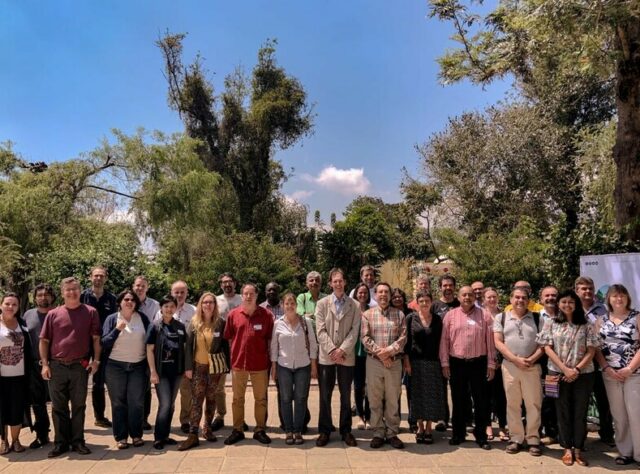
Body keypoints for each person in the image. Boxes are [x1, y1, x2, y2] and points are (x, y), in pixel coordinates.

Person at [536, 289, 599, 466]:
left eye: (571, 302)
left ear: (576, 304)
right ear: (559, 304)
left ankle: (578, 449)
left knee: (580, 411)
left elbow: (592, 350)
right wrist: (564, 368)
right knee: (561, 410)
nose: (567, 305)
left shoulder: (586, 324)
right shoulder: (551, 322)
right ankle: (566, 448)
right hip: (556, 373)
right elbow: (547, 347)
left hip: (583, 374)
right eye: (563, 302)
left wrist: (576, 369)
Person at [40, 277, 101, 458]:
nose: (72, 292)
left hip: (79, 366)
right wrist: (44, 365)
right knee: (58, 407)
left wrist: (96, 360)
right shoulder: (53, 314)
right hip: (56, 366)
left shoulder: (91, 312)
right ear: (62, 293)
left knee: (79, 406)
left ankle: (78, 442)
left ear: (80, 290)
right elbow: (44, 341)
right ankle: (60, 443)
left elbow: (96, 339)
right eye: (68, 290)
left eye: (75, 289)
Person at [439, 286, 496, 450]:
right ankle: (458, 433)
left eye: (470, 295)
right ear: (459, 296)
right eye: (464, 295)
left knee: (480, 401)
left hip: (479, 363)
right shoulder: (450, 315)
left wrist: (491, 364)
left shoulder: (484, 315)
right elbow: (444, 341)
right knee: (458, 400)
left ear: (474, 297)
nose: (467, 297)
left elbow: (490, 342)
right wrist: (445, 363)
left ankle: (481, 436)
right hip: (457, 363)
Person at [493, 288, 544, 456]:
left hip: (532, 366)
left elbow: (543, 344)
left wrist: (532, 359)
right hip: (510, 366)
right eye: (517, 297)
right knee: (513, 404)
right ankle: (515, 438)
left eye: (524, 298)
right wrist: (515, 359)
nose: (520, 300)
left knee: (533, 404)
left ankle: (533, 439)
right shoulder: (501, 317)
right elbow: (498, 342)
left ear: (529, 300)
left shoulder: (538, 318)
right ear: (510, 298)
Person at [223, 283, 274, 445]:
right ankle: (237, 429)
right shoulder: (233, 315)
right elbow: (229, 338)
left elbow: (270, 340)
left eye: (251, 293)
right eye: (245, 293)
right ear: (242, 295)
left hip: (260, 364)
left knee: (261, 399)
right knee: (237, 399)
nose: (248, 296)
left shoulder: (266, 315)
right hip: (239, 364)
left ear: (257, 295)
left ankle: (260, 429)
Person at [595, 284, 640, 466]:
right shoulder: (601, 320)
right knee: (619, 415)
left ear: (627, 298)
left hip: (634, 374)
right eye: (614, 296)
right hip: (610, 375)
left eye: (622, 295)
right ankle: (625, 452)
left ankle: (639, 454)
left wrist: (629, 368)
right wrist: (606, 368)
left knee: (636, 414)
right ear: (609, 299)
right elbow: (596, 348)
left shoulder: (636, 317)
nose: (618, 299)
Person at [315, 269, 360, 447]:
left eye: (341, 281)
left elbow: (354, 331)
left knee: (346, 395)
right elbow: (320, 330)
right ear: (330, 283)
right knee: (325, 395)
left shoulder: (354, 305)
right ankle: (325, 430)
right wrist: (333, 350)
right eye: (335, 281)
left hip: (346, 357)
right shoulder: (322, 304)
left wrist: (342, 350)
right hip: (327, 357)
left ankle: (346, 430)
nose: (338, 284)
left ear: (345, 282)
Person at [179, 292, 230, 451]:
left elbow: (225, 346)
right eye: (205, 302)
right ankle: (193, 433)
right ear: (201, 304)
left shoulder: (221, 323)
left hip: (215, 368)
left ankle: (207, 428)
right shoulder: (193, 323)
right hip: (198, 367)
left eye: (211, 302)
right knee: (197, 400)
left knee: (212, 398)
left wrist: (226, 367)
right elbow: (187, 348)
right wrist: (187, 367)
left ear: (215, 305)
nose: (208, 305)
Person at [101, 289, 151, 449]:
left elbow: (150, 340)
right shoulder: (112, 319)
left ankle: (136, 435)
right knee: (118, 403)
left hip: (138, 365)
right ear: (120, 302)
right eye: (126, 299)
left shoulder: (142, 318)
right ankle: (121, 437)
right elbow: (104, 343)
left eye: (132, 300)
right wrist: (117, 330)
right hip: (115, 366)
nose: (129, 302)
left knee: (136, 402)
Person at [362, 282, 408, 449]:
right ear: (375, 295)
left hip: (394, 363)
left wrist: (388, 352)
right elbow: (365, 338)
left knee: (392, 398)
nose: (383, 295)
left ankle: (392, 432)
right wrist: (381, 355)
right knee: (374, 398)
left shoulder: (399, 314)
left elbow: (403, 338)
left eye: (386, 292)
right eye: (380, 292)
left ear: (390, 295)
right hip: (374, 362)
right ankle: (378, 432)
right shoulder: (367, 315)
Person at [270, 293, 318, 445]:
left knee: (301, 398)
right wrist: (274, 367)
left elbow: (313, 343)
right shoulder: (278, 323)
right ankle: (288, 430)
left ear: (296, 306)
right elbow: (274, 346)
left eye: (292, 303)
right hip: (283, 366)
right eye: (287, 303)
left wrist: (313, 365)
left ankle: (298, 430)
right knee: (285, 398)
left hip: (303, 365)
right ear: (282, 306)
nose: (290, 306)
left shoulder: (306, 322)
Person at [403, 290, 446, 444]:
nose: (425, 303)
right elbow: (406, 342)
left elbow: (442, 342)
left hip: (433, 362)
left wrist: (443, 363)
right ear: (417, 302)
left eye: (427, 300)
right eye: (421, 301)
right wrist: (406, 361)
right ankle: (419, 426)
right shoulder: (410, 318)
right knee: (417, 395)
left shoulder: (438, 319)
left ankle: (428, 428)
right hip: (415, 362)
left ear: (431, 302)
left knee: (431, 396)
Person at [575, 275, 614, 445]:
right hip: (576, 361)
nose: (588, 291)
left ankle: (606, 434)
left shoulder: (604, 310)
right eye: (584, 288)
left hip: (598, 359)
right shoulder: (571, 308)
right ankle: (579, 436)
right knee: (580, 400)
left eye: (590, 288)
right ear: (576, 291)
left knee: (604, 398)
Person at [146, 295, 186, 450]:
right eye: (166, 306)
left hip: (176, 372)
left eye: (172, 306)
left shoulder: (180, 326)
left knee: (171, 405)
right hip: (161, 372)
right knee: (165, 404)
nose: (169, 309)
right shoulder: (155, 326)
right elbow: (149, 350)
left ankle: (166, 435)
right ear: (161, 308)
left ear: (175, 308)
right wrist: (153, 372)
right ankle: (158, 437)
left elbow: (183, 348)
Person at [80, 265, 117, 428]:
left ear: (105, 278)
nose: (98, 278)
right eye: (96, 275)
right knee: (79, 380)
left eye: (101, 276)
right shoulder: (82, 296)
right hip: (83, 344)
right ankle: (77, 417)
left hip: (103, 345)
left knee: (99, 381)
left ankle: (99, 416)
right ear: (90, 277)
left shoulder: (112, 299)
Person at [23, 283, 55, 449]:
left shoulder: (59, 313)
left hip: (55, 364)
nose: (43, 297)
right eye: (40, 295)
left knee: (58, 402)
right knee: (37, 402)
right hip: (34, 365)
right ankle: (42, 435)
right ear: (35, 298)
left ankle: (64, 436)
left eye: (46, 294)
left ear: (52, 296)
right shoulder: (28, 314)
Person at [0, 293, 33, 454]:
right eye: (7, 304)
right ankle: (3, 440)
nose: (10, 307)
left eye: (14, 304)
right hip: (1, 377)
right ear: (1, 305)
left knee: (17, 409)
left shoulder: (21, 323)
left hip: (20, 376)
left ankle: (16, 440)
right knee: (1, 410)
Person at [212, 273, 242, 432]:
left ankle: (240, 417)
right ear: (221, 285)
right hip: (221, 347)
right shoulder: (216, 301)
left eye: (230, 281)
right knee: (218, 385)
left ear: (235, 283)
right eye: (224, 282)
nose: (227, 284)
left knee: (239, 385)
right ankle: (220, 415)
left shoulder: (242, 299)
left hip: (239, 346)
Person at [165, 280, 197, 434]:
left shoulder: (194, 311)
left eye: (182, 292)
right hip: (167, 359)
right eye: (176, 292)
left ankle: (185, 420)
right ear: (171, 293)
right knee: (168, 393)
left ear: (187, 293)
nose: (179, 295)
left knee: (186, 392)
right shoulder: (163, 309)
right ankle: (165, 421)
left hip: (185, 358)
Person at [430, 274, 460, 432]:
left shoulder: (460, 304)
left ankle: (460, 418)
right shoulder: (434, 306)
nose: (447, 288)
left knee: (458, 388)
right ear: (440, 287)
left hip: (457, 353)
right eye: (445, 285)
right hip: (438, 353)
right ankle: (442, 418)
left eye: (450, 285)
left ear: (454, 287)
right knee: (440, 387)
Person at [482, 287, 508, 442]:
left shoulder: (505, 315)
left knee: (501, 396)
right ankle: (487, 425)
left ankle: (503, 426)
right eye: (488, 297)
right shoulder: (481, 316)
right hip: (484, 361)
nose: (492, 299)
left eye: (494, 297)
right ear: (484, 299)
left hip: (503, 361)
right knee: (485, 395)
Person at [132, 275, 158, 431]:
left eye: (143, 286)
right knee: (132, 387)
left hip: (148, 350)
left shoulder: (155, 305)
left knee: (146, 387)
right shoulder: (126, 302)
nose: (139, 288)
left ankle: (144, 418)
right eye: (137, 285)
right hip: (130, 350)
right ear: (133, 286)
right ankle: (132, 417)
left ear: (147, 288)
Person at [391, 287, 415, 432]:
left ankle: (413, 421)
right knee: (395, 391)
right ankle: (396, 421)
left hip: (410, 356)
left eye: (400, 296)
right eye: (394, 297)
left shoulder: (411, 314)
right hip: (395, 356)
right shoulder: (390, 314)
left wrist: (407, 357)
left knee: (411, 389)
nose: (397, 299)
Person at [538, 286, 559, 445]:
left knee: (558, 398)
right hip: (542, 363)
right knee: (546, 398)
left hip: (562, 364)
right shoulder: (535, 317)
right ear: (541, 299)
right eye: (547, 295)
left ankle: (561, 432)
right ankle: (548, 432)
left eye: (554, 295)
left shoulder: (565, 315)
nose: (550, 298)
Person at [352, 282, 371, 430]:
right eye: (360, 293)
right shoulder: (350, 310)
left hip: (370, 353)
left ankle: (369, 416)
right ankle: (359, 415)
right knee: (358, 386)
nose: (362, 295)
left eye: (365, 293)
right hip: (354, 353)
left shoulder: (373, 311)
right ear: (355, 294)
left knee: (370, 386)